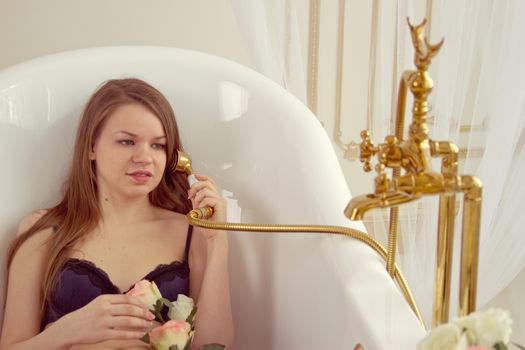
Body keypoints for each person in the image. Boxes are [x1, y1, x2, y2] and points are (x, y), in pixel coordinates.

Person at [0, 78, 234, 350]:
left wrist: (219, 240)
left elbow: (216, 347)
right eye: (126, 141)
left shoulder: (191, 232)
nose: (144, 157)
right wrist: (68, 331)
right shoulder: (43, 230)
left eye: (158, 145)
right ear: (91, 147)